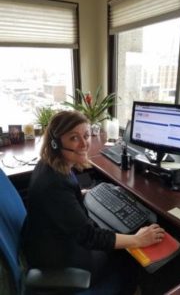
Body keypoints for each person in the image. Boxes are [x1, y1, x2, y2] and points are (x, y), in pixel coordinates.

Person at [22, 110, 165, 295]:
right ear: (55, 143)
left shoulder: (49, 164)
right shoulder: (54, 185)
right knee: (127, 253)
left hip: (44, 240)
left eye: (86, 135)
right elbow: (89, 237)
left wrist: (78, 194)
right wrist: (137, 239)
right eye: (74, 138)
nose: (84, 144)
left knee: (116, 235)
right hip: (60, 259)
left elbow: (58, 203)